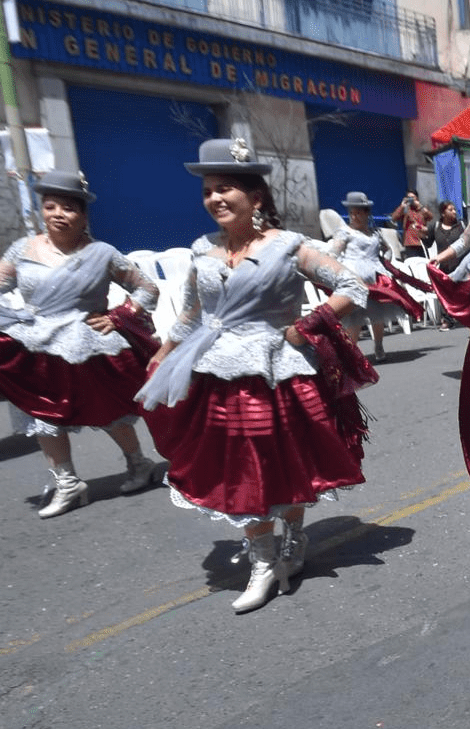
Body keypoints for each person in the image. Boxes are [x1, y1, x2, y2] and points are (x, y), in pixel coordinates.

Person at [137, 138, 374, 615]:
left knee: (287, 460)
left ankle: (292, 540)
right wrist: (163, 351)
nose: (214, 199)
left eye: (225, 188)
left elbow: (353, 286)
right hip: (216, 371)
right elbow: (191, 312)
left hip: (275, 369)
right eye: (207, 190)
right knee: (236, 468)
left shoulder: (290, 247)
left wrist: (306, 328)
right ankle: (263, 563)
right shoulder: (201, 248)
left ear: (256, 196)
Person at [0, 171, 162, 517]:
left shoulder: (103, 253)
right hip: (35, 342)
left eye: (68, 207)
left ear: (83, 215)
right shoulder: (21, 249)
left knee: (110, 411)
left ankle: (138, 463)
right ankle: (67, 483)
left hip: (89, 343)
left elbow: (147, 289)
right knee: (42, 415)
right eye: (50, 206)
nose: (58, 213)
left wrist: (118, 316)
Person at [327, 192, 400, 361]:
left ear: (367, 213)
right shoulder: (345, 232)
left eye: (358, 213)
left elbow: (387, 249)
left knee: (377, 313)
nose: (354, 216)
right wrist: (332, 268)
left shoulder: (375, 233)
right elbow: (334, 253)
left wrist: (386, 263)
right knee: (353, 317)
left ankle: (379, 345)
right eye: (352, 213)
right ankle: (352, 352)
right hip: (354, 278)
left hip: (375, 277)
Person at [389, 191, 431, 256]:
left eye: (412, 197)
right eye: (409, 197)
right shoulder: (406, 209)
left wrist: (420, 206)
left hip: (422, 241)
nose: (411, 199)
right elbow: (394, 218)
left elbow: (430, 217)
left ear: (417, 198)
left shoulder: (422, 209)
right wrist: (402, 206)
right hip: (410, 243)